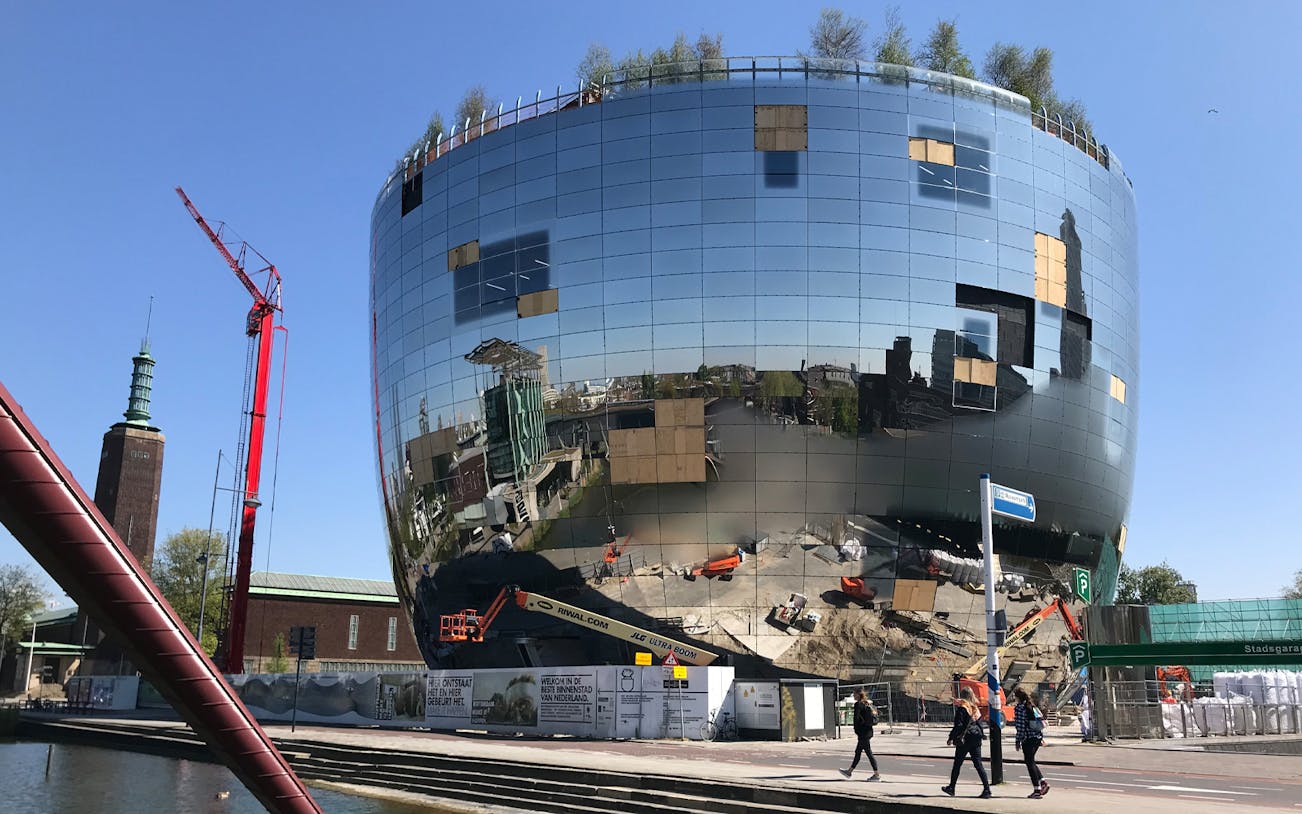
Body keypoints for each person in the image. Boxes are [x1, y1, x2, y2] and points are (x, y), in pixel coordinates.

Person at [941, 687, 992, 799]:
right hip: (976, 738)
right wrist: (981, 735)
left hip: (965, 739)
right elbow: (980, 724)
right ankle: (987, 789)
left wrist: (951, 737)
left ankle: (952, 787)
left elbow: (958, 725)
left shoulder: (963, 708)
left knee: (957, 764)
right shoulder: (975, 709)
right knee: (978, 765)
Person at [1013, 687, 1050, 799]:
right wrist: (1041, 738)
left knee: (1029, 763)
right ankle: (1043, 782)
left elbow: (1020, 726)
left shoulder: (1020, 708)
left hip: (1028, 738)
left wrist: (1018, 740)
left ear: (1018, 697)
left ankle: (1037, 789)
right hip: (1037, 737)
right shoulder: (1032, 706)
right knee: (1031, 761)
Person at [838, 689, 881, 781]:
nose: (853, 695)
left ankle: (877, 775)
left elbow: (856, 719)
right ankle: (849, 771)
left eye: (854, 694)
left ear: (858, 695)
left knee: (869, 753)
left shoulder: (858, 704)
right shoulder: (866, 703)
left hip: (863, 733)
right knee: (858, 752)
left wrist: (856, 730)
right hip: (868, 731)